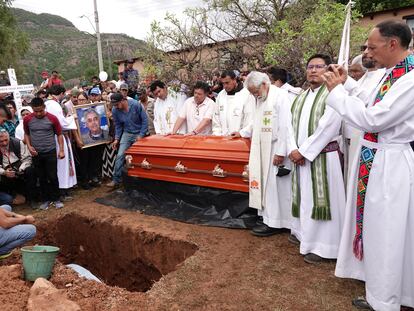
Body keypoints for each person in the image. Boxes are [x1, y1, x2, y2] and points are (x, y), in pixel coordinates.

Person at [323, 20, 414, 311]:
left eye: (373, 47)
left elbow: (374, 119)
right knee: (376, 230)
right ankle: (382, 292)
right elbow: (367, 101)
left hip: (390, 163)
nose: (369, 53)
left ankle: (386, 300)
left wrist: (336, 93)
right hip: (375, 159)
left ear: (393, 45)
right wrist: (345, 83)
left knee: (386, 233)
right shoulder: (393, 74)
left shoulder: (410, 79)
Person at [288, 54, 346, 264]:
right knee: (305, 199)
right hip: (300, 157)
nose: (313, 70)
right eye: (310, 66)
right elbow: (288, 125)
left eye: (319, 67)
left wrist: (303, 152)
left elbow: (328, 127)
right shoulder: (301, 96)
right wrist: (293, 149)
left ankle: (326, 247)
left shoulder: (334, 95)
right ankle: (305, 236)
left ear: (328, 70)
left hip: (323, 158)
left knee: (323, 201)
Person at [232, 71, 292, 236]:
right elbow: (256, 121)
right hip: (260, 148)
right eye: (252, 93)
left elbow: (286, 126)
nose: (254, 95)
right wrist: (242, 132)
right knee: (263, 184)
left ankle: (276, 222)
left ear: (265, 84)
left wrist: (281, 151)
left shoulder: (280, 97)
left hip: (275, 149)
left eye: (255, 91)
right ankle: (266, 217)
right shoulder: (260, 97)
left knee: (274, 187)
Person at [24, 97, 65, 210]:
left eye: (40, 111)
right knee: (41, 177)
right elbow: (26, 134)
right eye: (35, 111)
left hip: (50, 151)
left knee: (52, 176)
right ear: (32, 109)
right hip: (36, 153)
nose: (38, 113)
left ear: (44, 107)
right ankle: (45, 200)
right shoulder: (27, 119)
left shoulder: (52, 118)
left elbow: (59, 134)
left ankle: (56, 199)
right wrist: (29, 146)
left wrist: (61, 150)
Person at [106, 93, 148, 188]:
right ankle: (116, 180)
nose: (115, 106)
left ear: (122, 100)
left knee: (139, 156)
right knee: (120, 155)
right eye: (114, 105)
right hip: (127, 133)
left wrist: (141, 135)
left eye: (117, 104)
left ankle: (142, 179)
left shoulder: (136, 104)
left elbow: (145, 120)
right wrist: (116, 139)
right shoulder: (115, 110)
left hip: (139, 132)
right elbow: (118, 126)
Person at [45, 85, 77, 199]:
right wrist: (72, 117)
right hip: (58, 137)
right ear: (62, 93)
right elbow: (61, 123)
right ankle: (63, 189)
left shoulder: (47, 103)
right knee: (62, 164)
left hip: (51, 137)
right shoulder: (54, 105)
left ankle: (63, 188)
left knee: (60, 164)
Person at [0, 129, 36, 207]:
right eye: (1, 141)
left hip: (19, 168)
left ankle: (32, 199)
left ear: (9, 137)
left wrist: (21, 169)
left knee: (30, 171)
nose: (4, 143)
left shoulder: (17, 143)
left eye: (6, 140)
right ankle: (11, 197)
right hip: (5, 171)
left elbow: (27, 159)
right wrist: (4, 172)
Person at [212, 70, 254, 136]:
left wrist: (242, 133)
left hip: (240, 139)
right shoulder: (221, 95)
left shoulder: (246, 95)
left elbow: (250, 119)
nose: (225, 86)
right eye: (223, 83)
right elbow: (216, 117)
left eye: (227, 82)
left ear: (234, 80)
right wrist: (217, 134)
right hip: (222, 139)